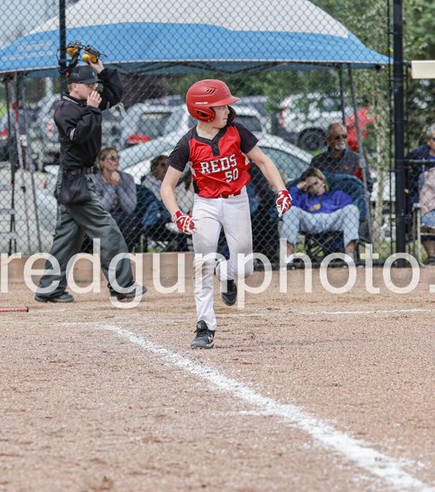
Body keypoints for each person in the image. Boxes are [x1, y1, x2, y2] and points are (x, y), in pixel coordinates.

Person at [160, 79, 292, 349]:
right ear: (203, 111)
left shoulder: (237, 131)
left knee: (245, 267)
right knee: (202, 263)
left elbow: (264, 162)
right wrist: (178, 215)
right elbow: (166, 187)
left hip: (236, 201)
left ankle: (226, 273)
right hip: (205, 204)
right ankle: (205, 325)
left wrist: (281, 189)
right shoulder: (188, 143)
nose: (227, 111)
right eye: (220, 107)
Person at [34, 60, 145, 304]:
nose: (94, 88)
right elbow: (78, 136)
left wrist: (100, 69)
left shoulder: (88, 102)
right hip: (76, 180)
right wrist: (93, 110)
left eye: (94, 84)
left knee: (67, 237)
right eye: (88, 85)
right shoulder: (65, 108)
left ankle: (48, 288)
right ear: (75, 86)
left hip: (82, 178)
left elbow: (115, 93)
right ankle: (122, 286)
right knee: (108, 230)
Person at [281, 167, 359, 261]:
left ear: (323, 181)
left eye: (316, 183)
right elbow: (287, 206)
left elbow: (348, 206)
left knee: (352, 209)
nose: (314, 188)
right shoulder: (304, 198)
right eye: (310, 187)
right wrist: (296, 188)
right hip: (311, 221)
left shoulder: (337, 195)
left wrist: (322, 205)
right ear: (306, 189)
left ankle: (349, 257)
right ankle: (288, 259)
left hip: (333, 220)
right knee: (291, 211)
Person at [140, 155, 190, 250]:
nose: (166, 169)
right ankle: (178, 250)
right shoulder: (147, 183)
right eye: (162, 165)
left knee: (180, 229)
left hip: (173, 217)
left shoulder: (175, 183)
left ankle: (181, 253)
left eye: (169, 166)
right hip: (156, 220)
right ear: (153, 168)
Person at [92, 147, 137, 249]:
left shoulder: (127, 178)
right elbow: (102, 208)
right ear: (102, 163)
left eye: (117, 158)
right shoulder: (95, 180)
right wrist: (112, 186)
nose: (116, 161)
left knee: (130, 220)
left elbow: (130, 208)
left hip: (123, 216)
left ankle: (124, 252)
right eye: (112, 158)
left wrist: (118, 186)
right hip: (104, 216)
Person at [310, 123, 372, 192]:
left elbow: (368, 185)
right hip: (326, 199)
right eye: (337, 137)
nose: (341, 139)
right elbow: (311, 184)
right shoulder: (317, 161)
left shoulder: (357, 159)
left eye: (344, 136)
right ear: (327, 139)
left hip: (351, 199)